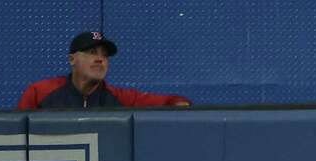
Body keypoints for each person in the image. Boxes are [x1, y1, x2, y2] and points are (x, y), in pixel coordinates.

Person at [18, 31, 190, 110]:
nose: (100, 59)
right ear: (72, 59)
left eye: (105, 55)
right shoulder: (39, 93)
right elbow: (16, 137)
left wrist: (178, 104)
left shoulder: (120, 98)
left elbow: (172, 100)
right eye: (92, 52)